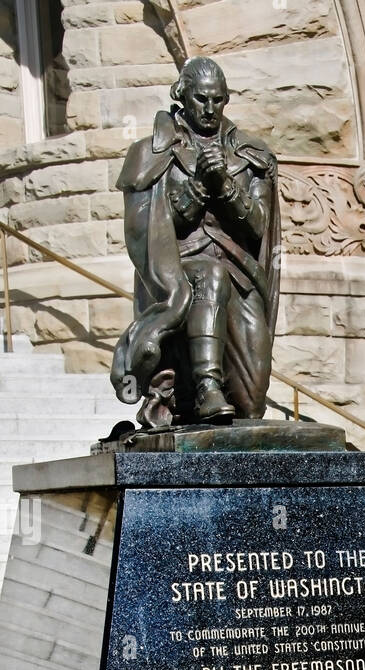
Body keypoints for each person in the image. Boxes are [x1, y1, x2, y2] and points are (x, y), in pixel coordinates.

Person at [111, 56, 281, 427]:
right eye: (201, 99)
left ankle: (209, 392)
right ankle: (206, 387)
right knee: (210, 276)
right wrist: (198, 187)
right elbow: (145, 233)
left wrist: (223, 183)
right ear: (181, 96)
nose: (209, 108)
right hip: (178, 271)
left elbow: (257, 229)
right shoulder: (150, 153)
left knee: (251, 405)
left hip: (241, 273)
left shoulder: (251, 155)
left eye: (217, 100)